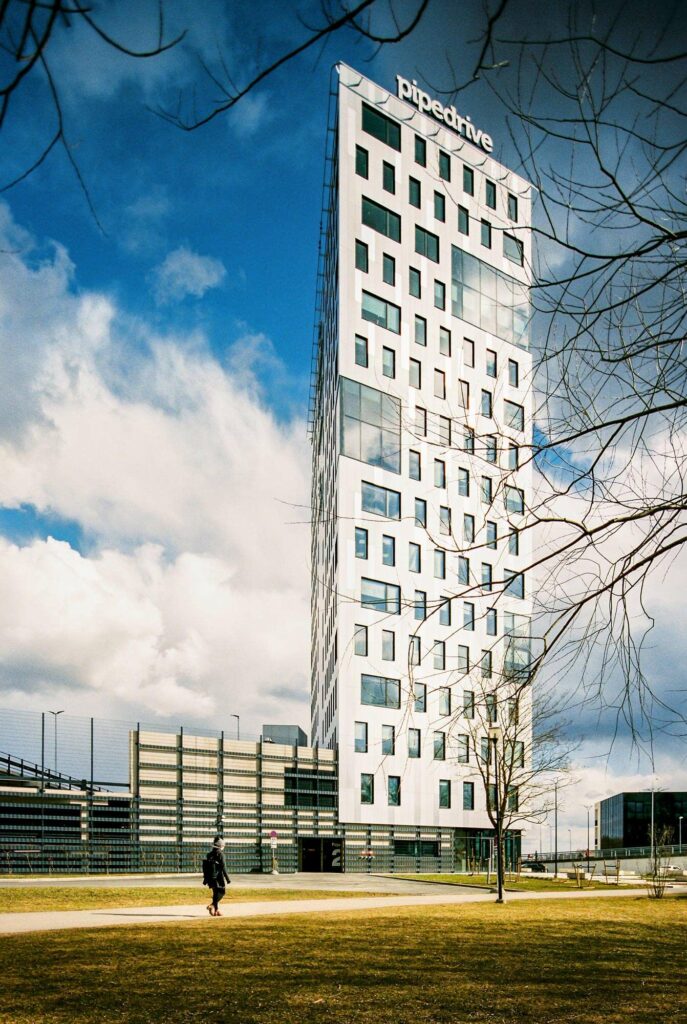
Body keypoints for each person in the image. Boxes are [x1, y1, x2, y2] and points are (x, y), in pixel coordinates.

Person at [205, 835, 230, 916]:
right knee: (222, 892)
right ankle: (211, 905)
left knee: (215, 893)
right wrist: (227, 878)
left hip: (210, 876)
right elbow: (223, 868)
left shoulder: (209, 854)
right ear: (220, 846)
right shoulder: (221, 854)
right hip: (218, 877)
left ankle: (216, 910)